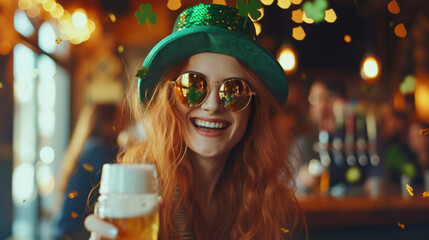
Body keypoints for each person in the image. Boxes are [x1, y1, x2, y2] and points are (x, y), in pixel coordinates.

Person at [85, 4, 304, 240]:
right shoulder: (137, 191)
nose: (212, 105)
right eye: (192, 85)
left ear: (253, 107)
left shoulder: (267, 202)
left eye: (234, 90)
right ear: (169, 99)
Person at [54, 102, 127, 239]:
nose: (125, 124)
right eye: (121, 118)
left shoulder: (91, 147)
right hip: (73, 232)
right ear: (106, 124)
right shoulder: (95, 148)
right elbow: (119, 179)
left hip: (70, 230)